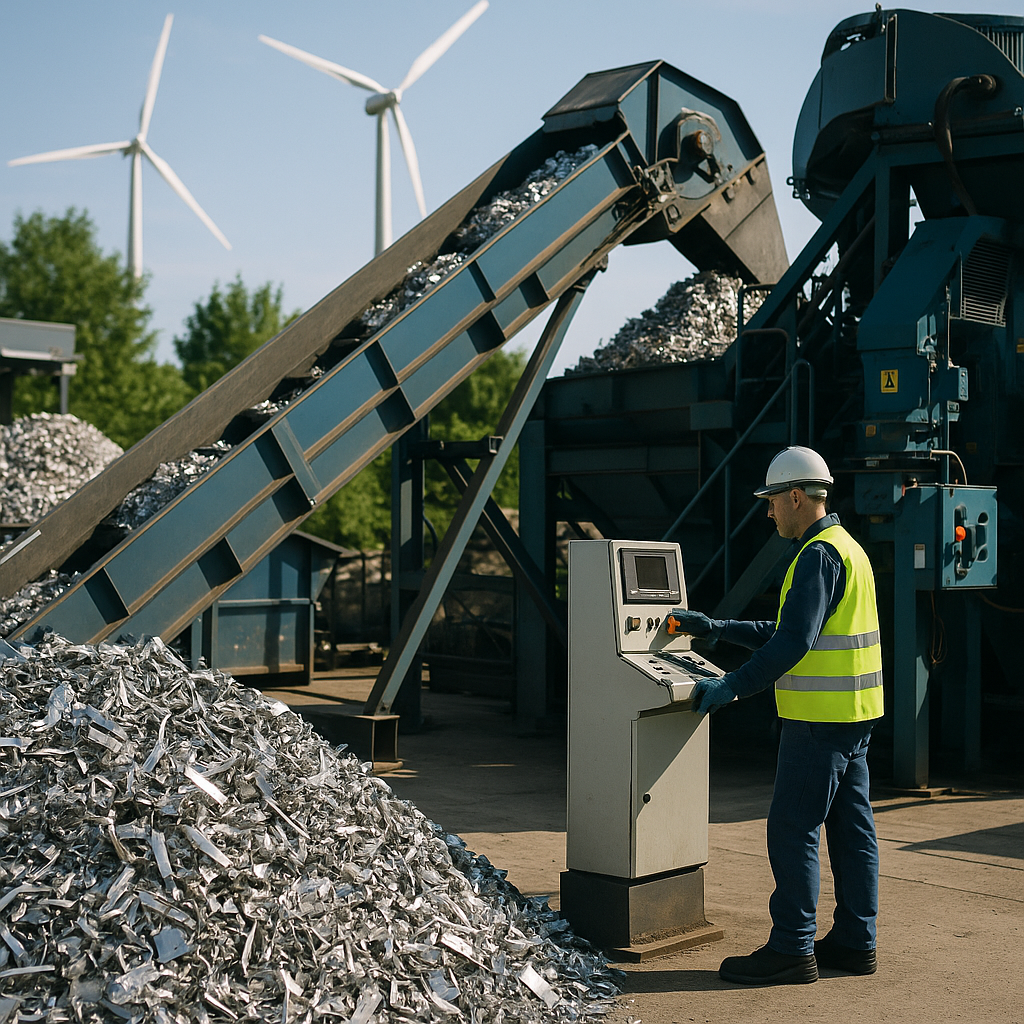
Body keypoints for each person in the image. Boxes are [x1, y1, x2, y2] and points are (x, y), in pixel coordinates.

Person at [669, 446, 883, 986]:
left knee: (792, 829)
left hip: (818, 721)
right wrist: (718, 628)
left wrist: (733, 687)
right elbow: (789, 630)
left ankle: (791, 948)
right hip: (854, 718)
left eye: (772, 502)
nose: (768, 513)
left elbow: (794, 643)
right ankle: (857, 941)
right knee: (853, 830)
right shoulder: (845, 549)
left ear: (795, 496)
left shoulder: (816, 555)